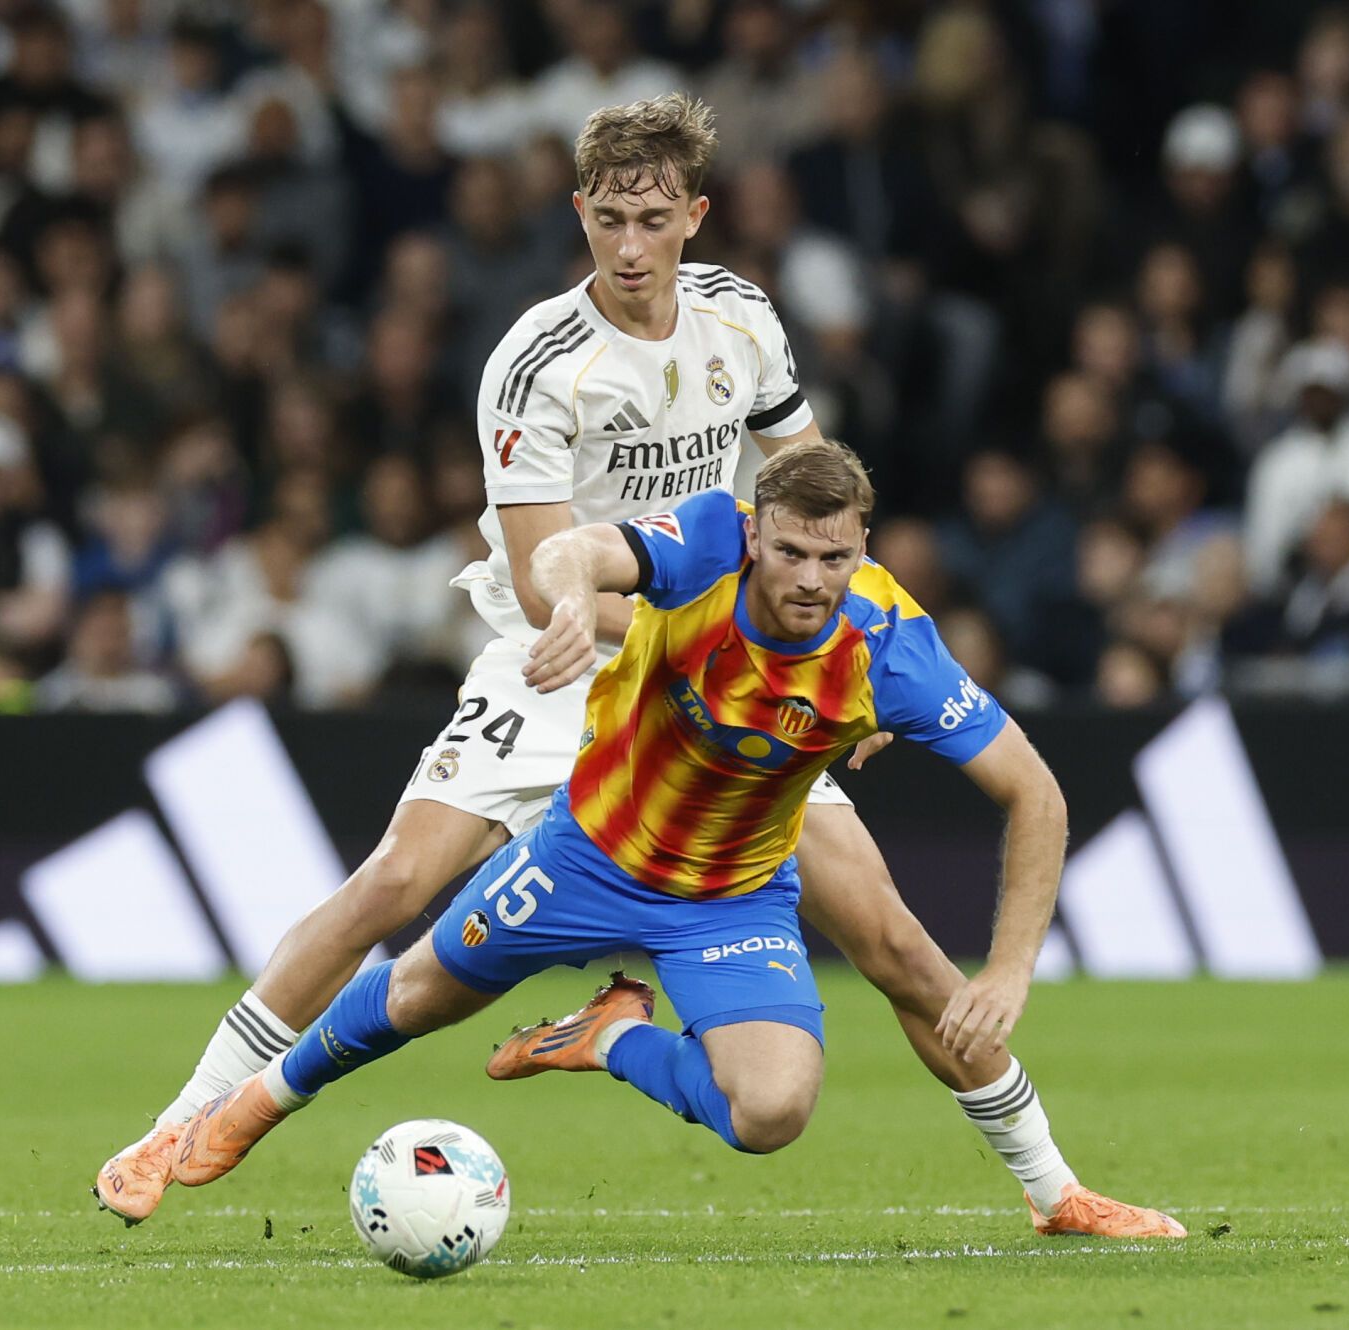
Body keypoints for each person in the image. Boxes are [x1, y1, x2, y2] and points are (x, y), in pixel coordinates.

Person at [95, 94, 1175, 1239]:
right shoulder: (537, 360)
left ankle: (1053, 1189)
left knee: (893, 939)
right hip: (576, 647)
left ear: (694, 216)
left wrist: (843, 652)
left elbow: (811, 481)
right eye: (606, 218)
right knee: (398, 888)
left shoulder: (743, 322)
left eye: (651, 219)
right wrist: (688, 636)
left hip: (740, 658)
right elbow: (534, 570)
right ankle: (181, 1120)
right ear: (577, 211)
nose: (626, 246)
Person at [164, 444, 1183, 1238]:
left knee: (777, 1105)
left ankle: (612, 1039)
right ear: (754, 535)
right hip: (586, 855)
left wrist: (1007, 970)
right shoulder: (700, 543)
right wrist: (569, 598)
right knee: (419, 992)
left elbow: (1035, 794)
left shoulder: (888, 648)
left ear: (862, 550)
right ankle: (242, 1109)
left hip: (732, 896)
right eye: (789, 550)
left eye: (836, 557)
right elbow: (570, 550)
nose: (811, 579)